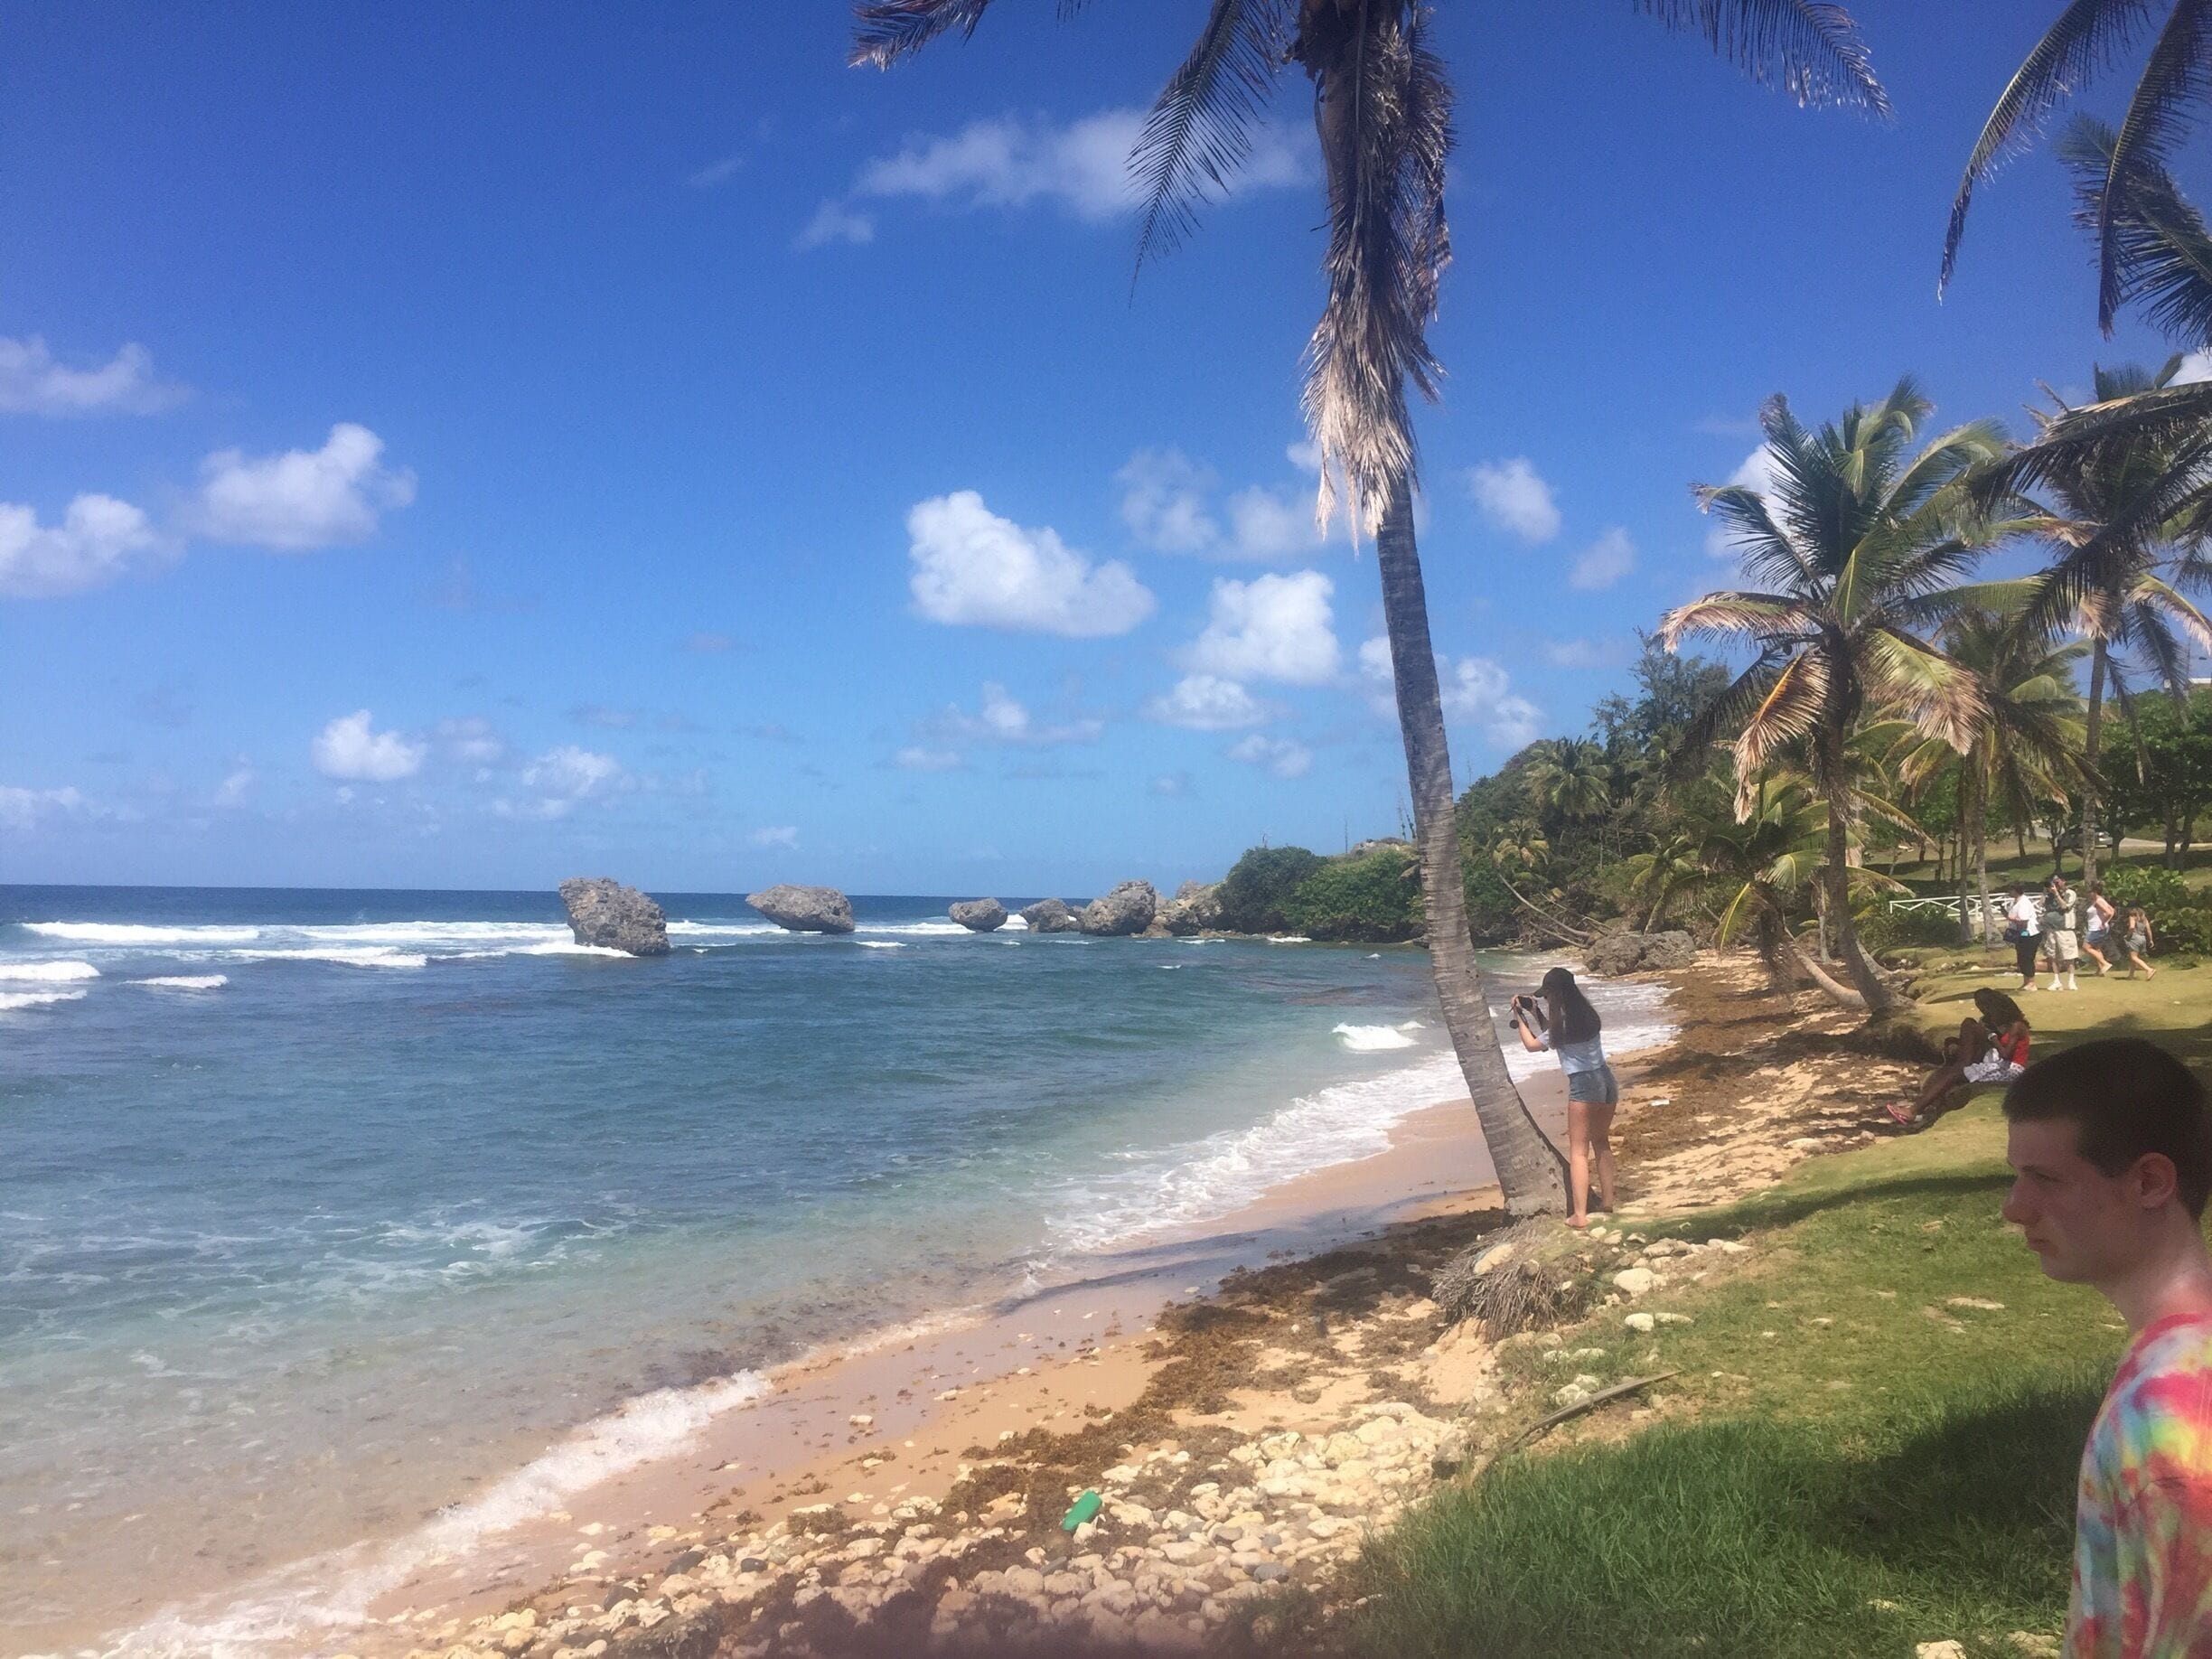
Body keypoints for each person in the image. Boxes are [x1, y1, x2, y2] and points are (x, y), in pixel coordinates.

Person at [2001, 1040, 2212, 1657]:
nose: (2015, 1208)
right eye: (2016, 1177)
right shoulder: (2173, 1354)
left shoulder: (2174, 1434)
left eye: (2045, 1179)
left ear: (2149, 1181)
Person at [1508, 966, 1616, 1230]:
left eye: (1547, 997)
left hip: (1583, 1084)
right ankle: (1609, 1202)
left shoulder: (1565, 1021)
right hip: (1606, 1080)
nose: (1546, 1000)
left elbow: (1533, 1046)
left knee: (1578, 1152)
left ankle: (1579, 1215)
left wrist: (1519, 1018)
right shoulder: (1587, 1015)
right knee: (1601, 1142)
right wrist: (1536, 1013)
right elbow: (1557, 1037)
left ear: (1555, 994)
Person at [1888, 987, 2029, 1128]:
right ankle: (1921, 1110)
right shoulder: (2000, 1024)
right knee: (1945, 1073)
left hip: (2012, 1069)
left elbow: (2006, 1054)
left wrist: (1992, 1038)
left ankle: (1913, 1111)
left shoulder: (2017, 1026)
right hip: (2003, 1065)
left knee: (1953, 1075)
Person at [2044, 873, 2084, 992]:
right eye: (2053, 882)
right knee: (2053, 955)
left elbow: (2064, 906)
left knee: (2069, 956)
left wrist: (2056, 894)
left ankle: (2071, 981)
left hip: (2065, 929)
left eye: (2057, 881)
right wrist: (2045, 893)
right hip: (2051, 929)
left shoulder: (2070, 893)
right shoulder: (2049, 895)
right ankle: (2057, 981)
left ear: (2063, 881)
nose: (2055, 884)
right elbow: (2042, 905)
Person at [2005, 882, 2042, 992]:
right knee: (2021, 958)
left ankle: (2032, 982)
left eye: (2011, 890)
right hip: (2020, 933)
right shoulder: (2015, 902)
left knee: (2027, 957)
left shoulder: (2024, 902)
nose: (2009, 893)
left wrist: (2012, 919)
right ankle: (2026, 981)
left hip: (2028, 933)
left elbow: (2023, 921)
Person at [2083, 880, 2115, 978]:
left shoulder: (2098, 901)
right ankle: (2101, 970)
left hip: (2096, 928)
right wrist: (2106, 922)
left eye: (2091, 892)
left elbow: (2109, 913)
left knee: (2086, 947)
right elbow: (2112, 910)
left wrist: (2103, 922)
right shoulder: (2102, 900)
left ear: (2094, 892)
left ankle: (2105, 963)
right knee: (2097, 948)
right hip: (2098, 927)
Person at [2121, 903, 2159, 980]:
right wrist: (2151, 940)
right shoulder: (2144, 919)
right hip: (2142, 938)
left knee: (2133, 957)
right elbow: (2148, 930)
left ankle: (2149, 969)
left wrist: (2128, 936)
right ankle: (2131, 975)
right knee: (2133, 958)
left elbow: (2131, 927)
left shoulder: (2132, 917)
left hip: (2135, 938)